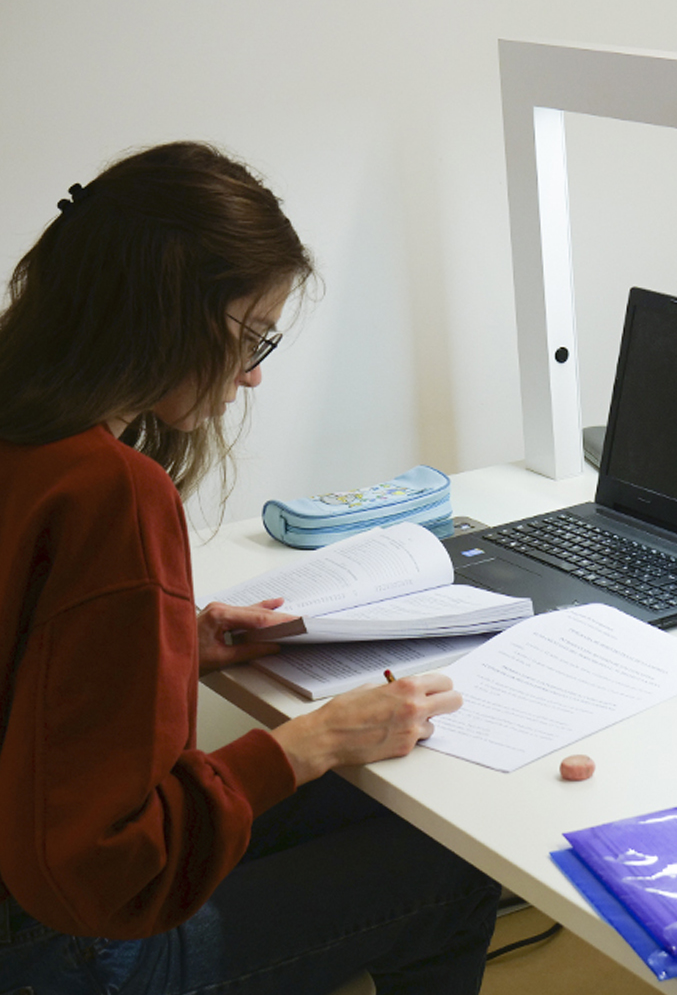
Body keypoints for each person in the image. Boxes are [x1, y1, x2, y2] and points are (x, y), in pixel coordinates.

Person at [0, 142, 500, 994]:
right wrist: (314, 741)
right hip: (62, 950)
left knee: (375, 804)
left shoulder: (27, 432)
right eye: (251, 335)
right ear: (166, 316)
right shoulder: (110, 492)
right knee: (451, 870)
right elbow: (112, 873)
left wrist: (171, 650)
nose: (256, 373)